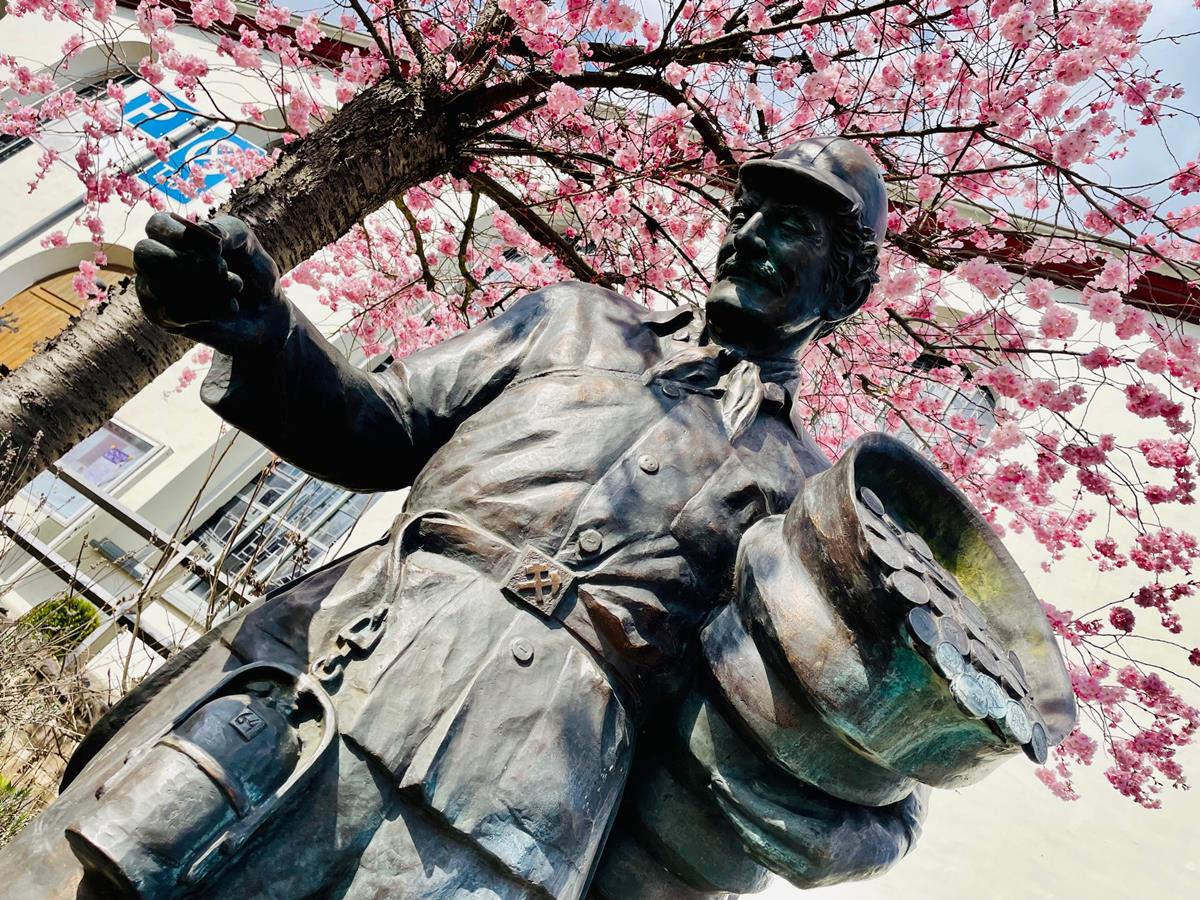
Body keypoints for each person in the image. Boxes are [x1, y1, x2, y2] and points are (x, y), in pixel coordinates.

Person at [0, 137, 928, 900]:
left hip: (523, 797)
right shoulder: (574, 322)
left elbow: (832, 728)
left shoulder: (809, 502)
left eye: (791, 225)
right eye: (742, 214)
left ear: (846, 288)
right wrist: (261, 330)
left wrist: (851, 812)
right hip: (347, 664)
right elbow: (380, 426)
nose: (748, 238)